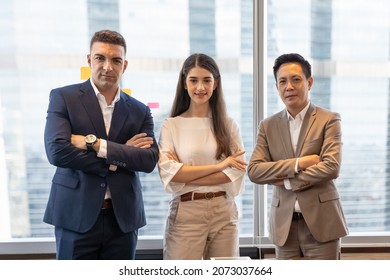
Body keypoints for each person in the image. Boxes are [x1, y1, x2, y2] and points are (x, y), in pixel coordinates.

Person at [43, 29, 159, 260]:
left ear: (124, 65)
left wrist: (96, 145)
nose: (108, 66)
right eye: (100, 58)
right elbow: (57, 152)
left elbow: (148, 160)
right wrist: (121, 155)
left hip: (122, 220)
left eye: (116, 60)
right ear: (89, 60)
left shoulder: (139, 110)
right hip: (75, 215)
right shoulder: (64, 97)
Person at [248, 53, 348, 260]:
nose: (289, 87)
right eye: (282, 81)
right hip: (284, 227)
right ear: (276, 87)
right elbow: (255, 171)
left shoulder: (328, 119)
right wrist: (299, 163)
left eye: (296, 79)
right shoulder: (268, 126)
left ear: (309, 82)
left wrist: (284, 181)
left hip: (322, 223)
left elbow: (331, 167)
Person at [157, 53, 247, 260]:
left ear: (216, 84)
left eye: (207, 80)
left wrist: (186, 172)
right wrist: (219, 166)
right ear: (184, 83)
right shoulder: (171, 125)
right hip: (186, 214)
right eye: (193, 80)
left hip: (224, 212)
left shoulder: (229, 125)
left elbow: (234, 173)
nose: (200, 87)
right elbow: (170, 174)